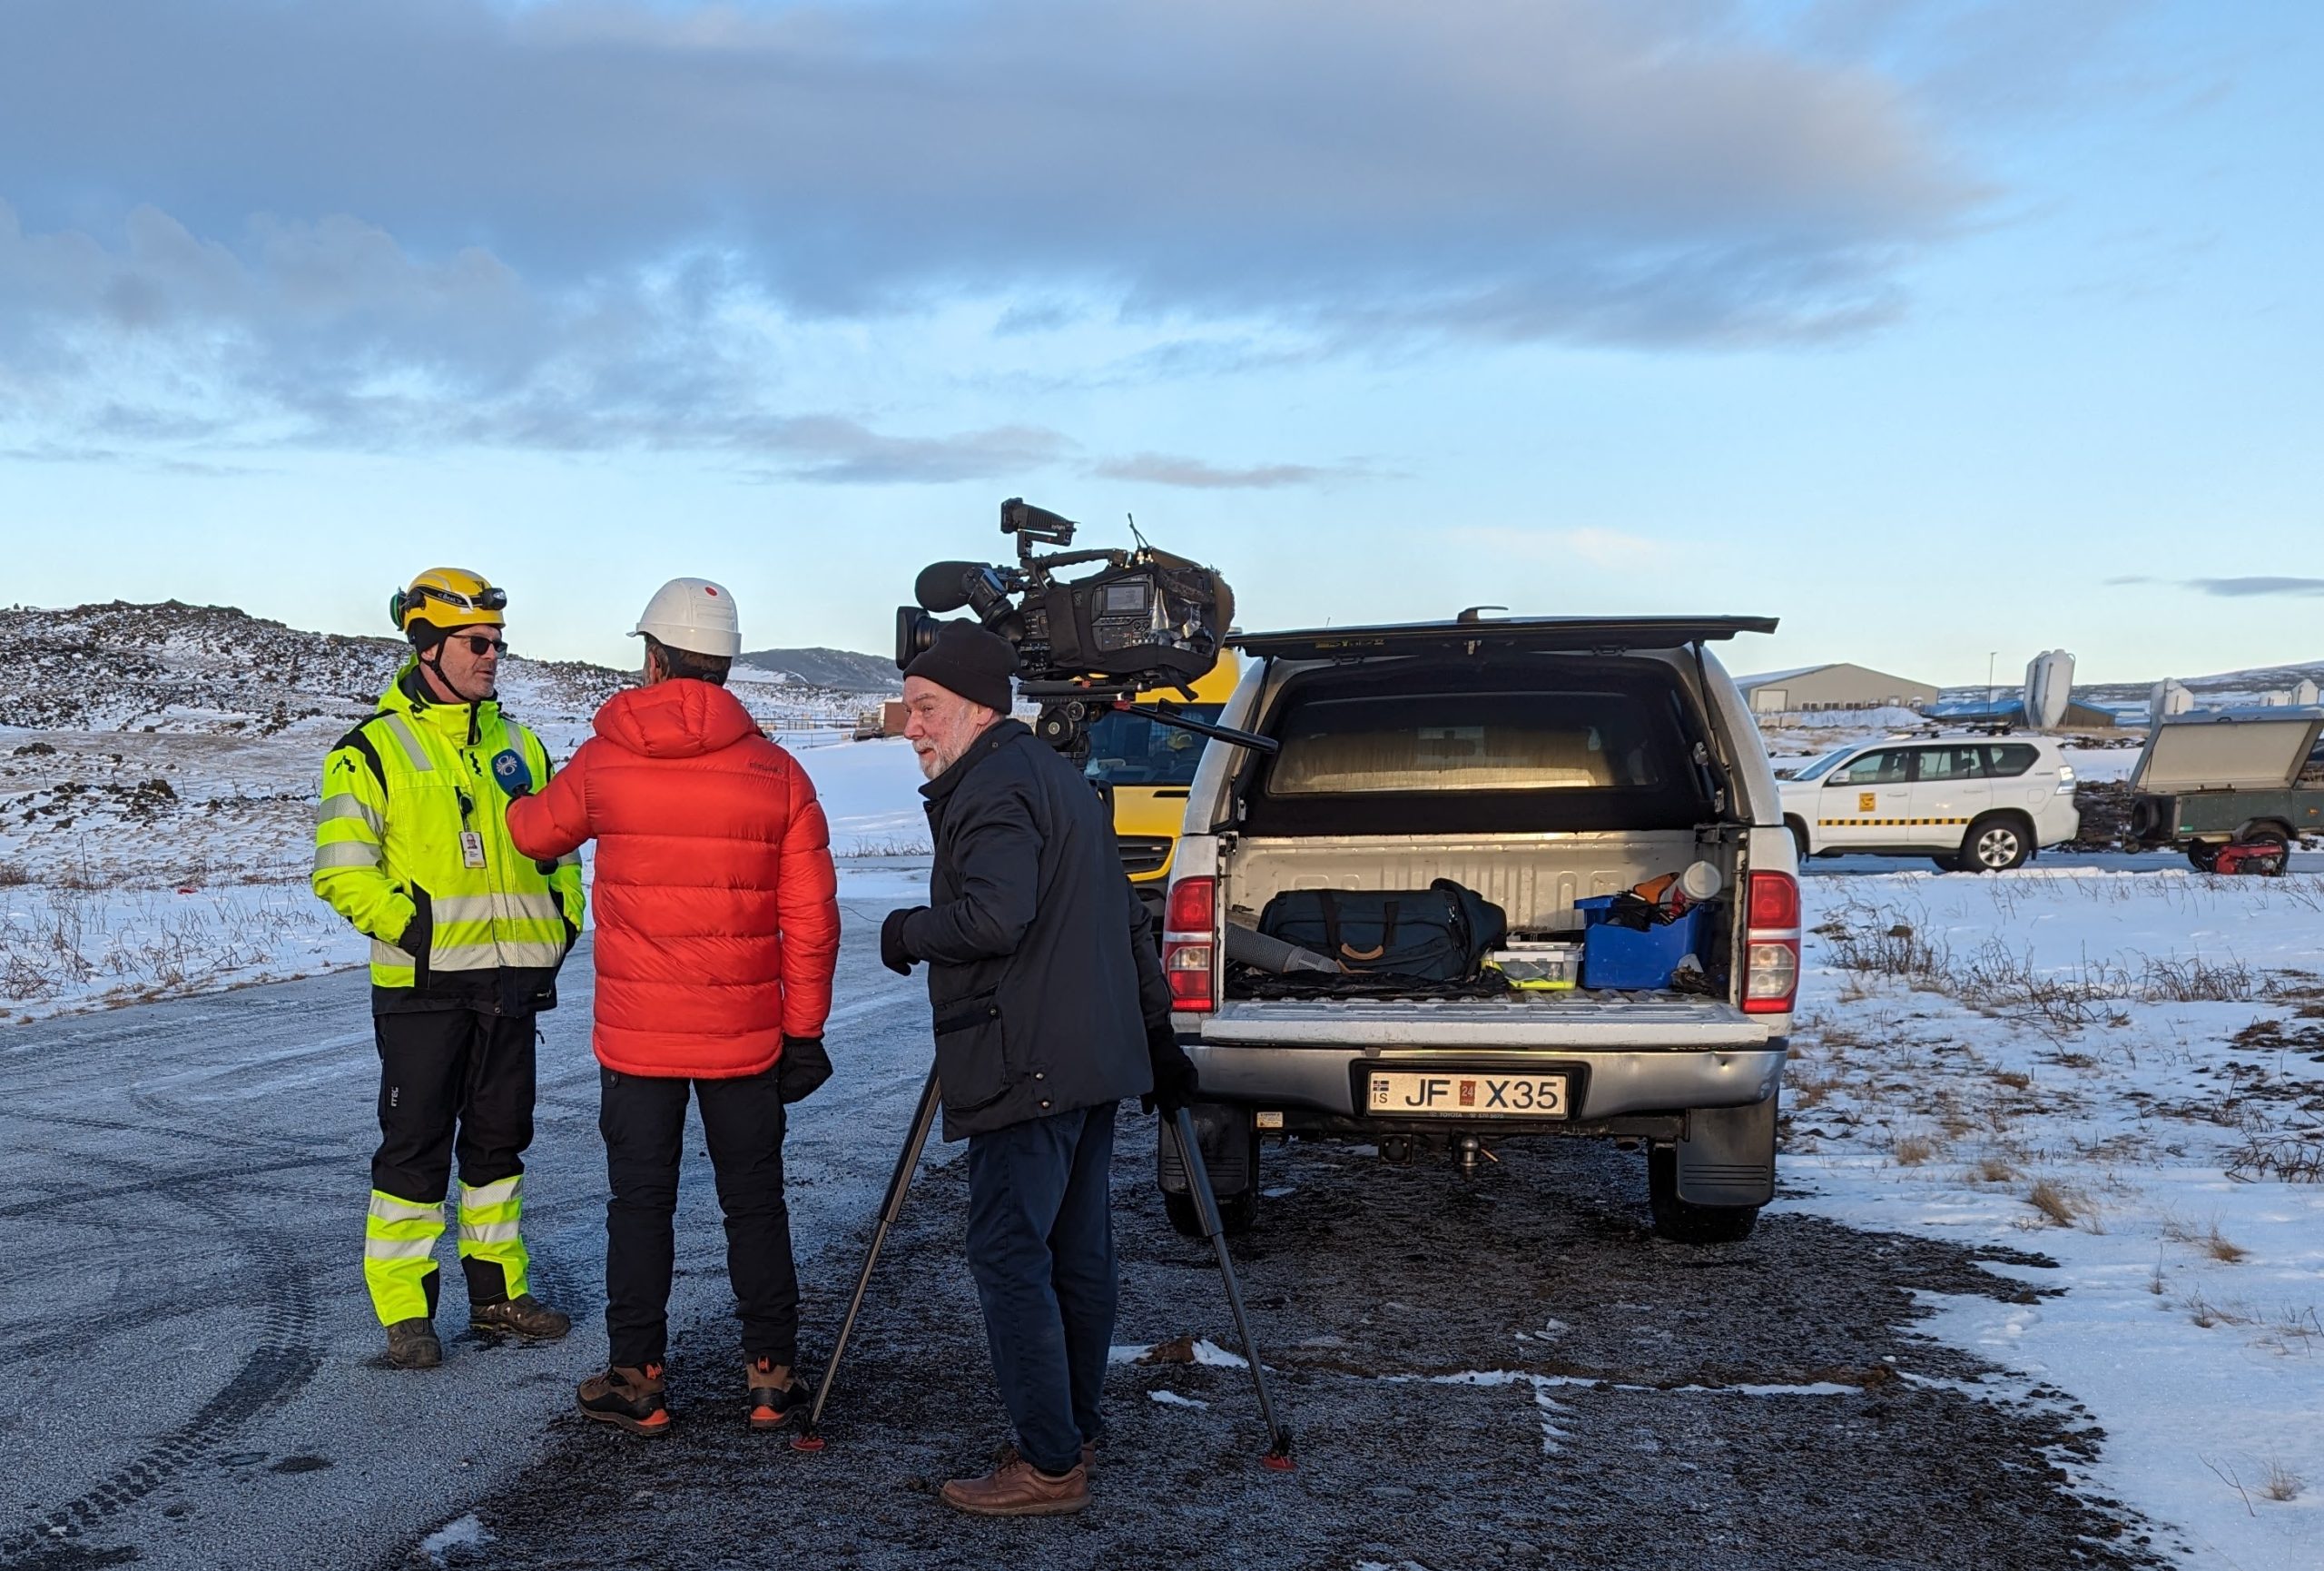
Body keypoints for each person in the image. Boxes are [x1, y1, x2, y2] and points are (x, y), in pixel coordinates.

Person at [503, 578, 841, 1436]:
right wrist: (804, 1032)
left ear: (654, 658)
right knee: (755, 1204)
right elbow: (812, 923)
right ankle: (770, 1377)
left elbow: (533, 834)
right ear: (724, 664)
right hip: (746, 1042)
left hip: (638, 1042)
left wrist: (511, 790)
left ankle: (638, 1379)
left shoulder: (604, 761)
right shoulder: (778, 773)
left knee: (640, 1205)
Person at [879, 624, 1198, 1517]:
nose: (912, 727)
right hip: (1092, 1057)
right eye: (909, 708)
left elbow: (994, 917)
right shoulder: (1061, 779)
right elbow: (1128, 919)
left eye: (926, 708)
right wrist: (1155, 1037)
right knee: (1075, 1250)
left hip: (1028, 1060)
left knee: (1009, 1252)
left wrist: (905, 931)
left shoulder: (993, 786)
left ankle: (1050, 1464)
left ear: (979, 708)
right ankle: (1072, 1429)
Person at [311, 568, 586, 1370]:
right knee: (415, 1150)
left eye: (498, 643)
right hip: (424, 988)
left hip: (513, 984)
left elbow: (562, 852)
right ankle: (407, 1315)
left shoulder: (521, 746)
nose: (492, 655)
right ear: (427, 647)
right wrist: (418, 932)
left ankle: (499, 1296)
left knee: (499, 1148)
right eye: (476, 643)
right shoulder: (369, 751)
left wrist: (563, 918)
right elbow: (341, 871)